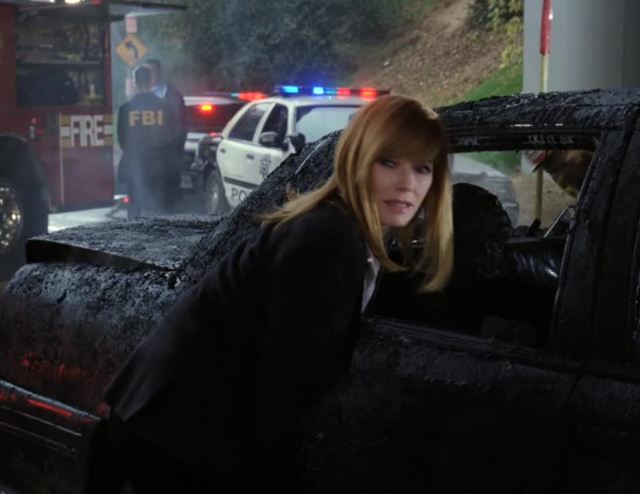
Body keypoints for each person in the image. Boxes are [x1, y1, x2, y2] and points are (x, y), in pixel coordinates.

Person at [84, 95, 454, 492]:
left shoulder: (345, 232)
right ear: (357, 161)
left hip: (175, 427)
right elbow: (284, 387)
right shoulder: (328, 238)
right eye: (389, 162)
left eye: (422, 168)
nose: (407, 184)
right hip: (177, 435)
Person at [116, 65, 172, 218]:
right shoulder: (164, 107)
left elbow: (122, 138)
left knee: (134, 205)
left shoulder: (126, 109)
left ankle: (135, 228)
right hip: (159, 164)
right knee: (159, 206)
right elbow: (171, 135)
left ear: (135, 82)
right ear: (151, 80)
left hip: (134, 163)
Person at [145, 58, 187, 212]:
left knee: (168, 198)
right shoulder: (141, 96)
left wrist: (175, 150)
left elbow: (181, 125)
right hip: (148, 156)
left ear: (160, 73)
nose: (150, 75)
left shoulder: (173, 96)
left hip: (169, 154)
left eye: (152, 71)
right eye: (147, 72)